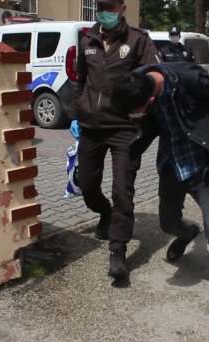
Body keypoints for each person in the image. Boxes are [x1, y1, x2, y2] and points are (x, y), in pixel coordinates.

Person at [110, 61, 209, 337]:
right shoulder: (137, 81)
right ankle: (188, 231)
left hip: (201, 163)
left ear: (152, 99)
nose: (136, 117)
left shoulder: (190, 79)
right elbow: (141, 129)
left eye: (138, 113)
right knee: (167, 224)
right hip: (171, 164)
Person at [71, 0, 160, 280]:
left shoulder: (138, 40)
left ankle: (118, 249)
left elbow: (156, 77)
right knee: (86, 183)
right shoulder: (87, 39)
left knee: (123, 189)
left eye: (110, 6)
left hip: (124, 128)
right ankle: (104, 212)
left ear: (122, 7)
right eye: (100, 6)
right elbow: (81, 80)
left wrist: (143, 109)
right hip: (90, 127)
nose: (104, 11)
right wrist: (76, 112)